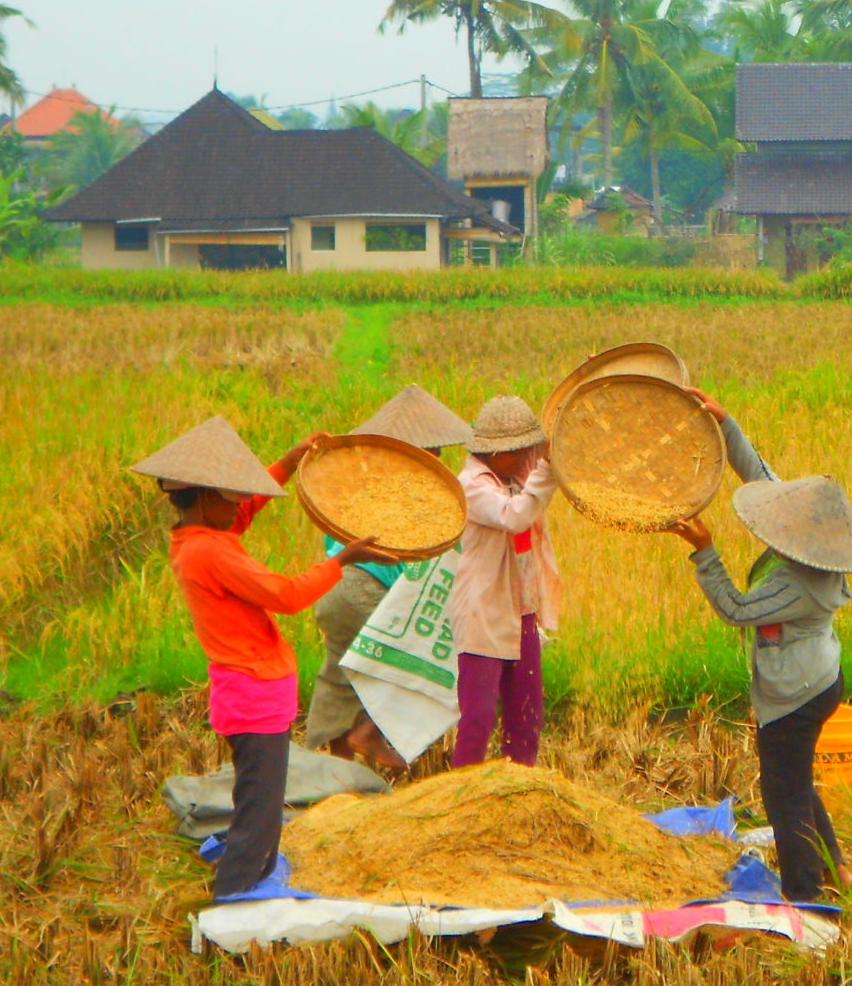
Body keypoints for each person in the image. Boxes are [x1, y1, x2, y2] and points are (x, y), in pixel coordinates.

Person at [132, 416, 388, 899]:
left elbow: (242, 515)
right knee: (262, 800)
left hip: (245, 689)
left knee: (257, 790)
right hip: (253, 690)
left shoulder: (196, 537)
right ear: (208, 498)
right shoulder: (215, 554)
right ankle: (238, 885)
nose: (240, 509)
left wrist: (288, 464)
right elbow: (287, 595)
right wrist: (341, 560)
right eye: (232, 498)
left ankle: (253, 864)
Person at [664, 390, 852, 902]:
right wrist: (725, 423)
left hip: (797, 694)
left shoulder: (802, 582)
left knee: (783, 796)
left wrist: (705, 552)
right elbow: (763, 480)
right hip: (819, 674)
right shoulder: (813, 535)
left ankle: (805, 895)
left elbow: (736, 609)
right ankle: (837, 869)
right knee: (797, 781)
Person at [301, 385, 474, 774]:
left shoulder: (359, 488)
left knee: (340, 676)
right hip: (367, 590)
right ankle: (369, 732)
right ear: (420, 455)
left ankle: (337, 774)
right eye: (434, 455)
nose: (439, 462)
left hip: (332, 589)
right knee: (403, 663)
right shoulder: (416, 497)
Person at [450, 395, 561, 768]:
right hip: (483, 611)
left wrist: (552, 456)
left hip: (522, 609)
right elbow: (513, 517)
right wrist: (546, 471)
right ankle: (462, 796)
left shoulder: (515, 478)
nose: (524, 458)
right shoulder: (471, 486)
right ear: (493, 453)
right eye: (516, 451)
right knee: (479, 717)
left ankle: (520, 789)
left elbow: (535, 489)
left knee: (527, 713)